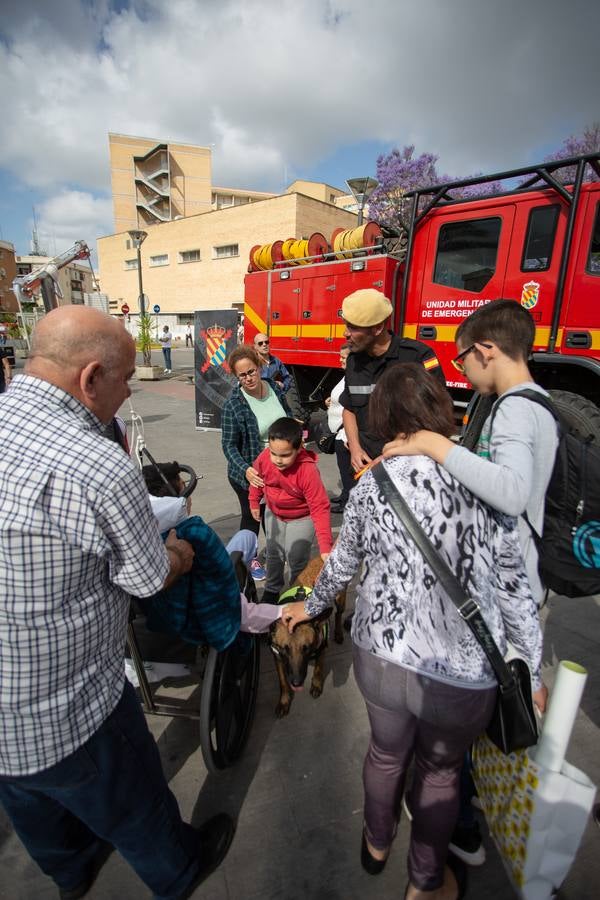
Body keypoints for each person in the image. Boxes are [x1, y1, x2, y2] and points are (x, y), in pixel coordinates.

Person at [284, 362, 545, 900]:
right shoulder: (483, 478)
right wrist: (533, 669)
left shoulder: (372, 482)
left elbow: (341, 565)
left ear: (381, 417)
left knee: (385, 754)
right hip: (462, 672)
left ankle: (376, 843)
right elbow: (516, 587)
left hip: (379, 656)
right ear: (441, 412)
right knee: (441, 772)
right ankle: (425, 881)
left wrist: (307, 607)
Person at [0, 306, 234, 900]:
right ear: (91, 376)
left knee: (30, 806)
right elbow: (147, 578)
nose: (129, 391)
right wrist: (179, 553)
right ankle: (178, 871)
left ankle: (73, 872)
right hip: (71, 707)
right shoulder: (97, 465)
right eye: (127, 378)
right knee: (133, 801)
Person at [383, 299, 558, 609]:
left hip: (505, 586)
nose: (461, 369)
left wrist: (432, 444)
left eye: (462, 358)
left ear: (485, 350)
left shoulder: (514, 409)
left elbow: (512, 492)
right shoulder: (535, 401)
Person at [141, 461, 286, 635]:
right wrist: (285, 611)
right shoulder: (194, 533)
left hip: (157, 616)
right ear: (179, 499)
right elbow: (237, 608)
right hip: (210, 608)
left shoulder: (135, 535)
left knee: (244, 537)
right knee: (247, 536)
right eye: (184, 487)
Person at [340, 288, 444, 476]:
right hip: (365, 466)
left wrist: (392, 453)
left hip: (407, 467)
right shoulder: (354, 360)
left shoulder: (418, 356)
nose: (345, 333)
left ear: (378, 328)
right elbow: (349, 408)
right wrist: (355, 448)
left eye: (353, 327)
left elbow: (435, 418)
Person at [221, 345, 292, 581]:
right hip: (249, 473)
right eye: (242, 375)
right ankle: (248, 559)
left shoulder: (274, 389)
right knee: (253, 516)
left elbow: (288, 418)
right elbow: (228, 446)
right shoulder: (234, 404)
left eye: (251, 372)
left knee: (276, 515)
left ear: (259, 367)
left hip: (280, 468)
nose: (248, 378)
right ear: (236, 376)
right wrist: (247, 470)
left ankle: (275, 555)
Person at [249, 417, 333, 603]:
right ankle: (272, 590)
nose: (278, 460)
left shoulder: (307, 471)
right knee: (274, 553)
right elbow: (256, 477)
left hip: (301, 517)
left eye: (285, 455)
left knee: (296, 557)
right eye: (274, 453)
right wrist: (254, 501)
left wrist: (325, 546)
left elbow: (319, 507)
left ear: (299, 448)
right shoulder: (265, 458)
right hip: (274, 512)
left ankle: (296, 591)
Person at [324, 343, 353, 514]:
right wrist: (330, 401)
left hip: (344, 434)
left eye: (343, 357)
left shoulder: (353, 378)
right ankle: (344, 494)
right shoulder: (347, 376)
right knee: (343, 470)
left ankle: (347, 503)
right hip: (339, 431)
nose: (340, 359)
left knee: (346, 471)